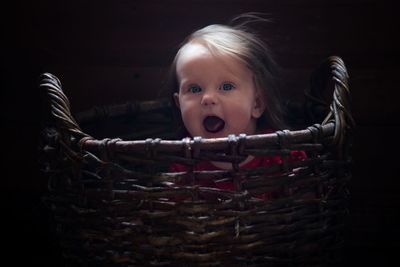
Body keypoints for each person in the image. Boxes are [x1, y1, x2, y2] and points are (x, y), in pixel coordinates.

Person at [166, 13, 306, 198]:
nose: (208, 98)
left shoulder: (281, 156)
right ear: (179, 104)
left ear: (257, 103)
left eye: (226, 86)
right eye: (194, 89)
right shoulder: (183, 166)